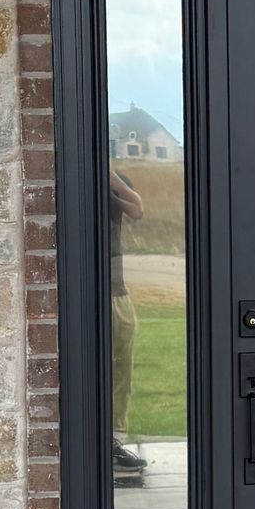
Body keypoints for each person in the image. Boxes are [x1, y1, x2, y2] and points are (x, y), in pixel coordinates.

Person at [110, 163, 146, 486]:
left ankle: (114, 441)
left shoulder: (116, 182)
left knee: (122, 367)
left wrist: (105, 169)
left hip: (115, 291)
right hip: (82, 290)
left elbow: (136, 209)